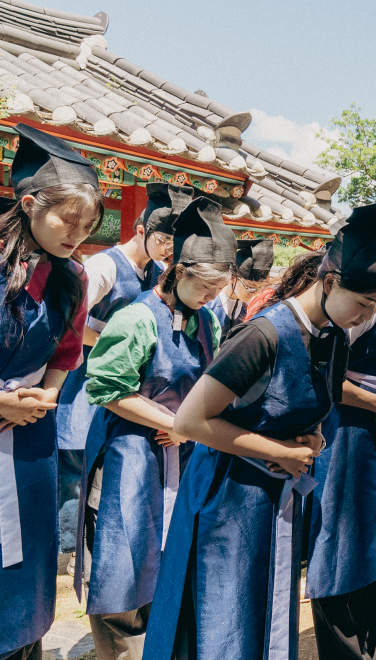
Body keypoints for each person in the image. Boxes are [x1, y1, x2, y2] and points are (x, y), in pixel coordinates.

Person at [143, 206, 376, 660]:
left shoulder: (333, 336)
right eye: (363, 303)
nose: (367, 316)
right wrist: (277, 450)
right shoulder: (262, 335)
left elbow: (311, 410)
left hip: (275, 498)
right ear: (328, 282)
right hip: (226, 498)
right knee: (223, 624)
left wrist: (312, 441)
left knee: (268, 613)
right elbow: (190, 421)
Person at [78, 197, 234, 660]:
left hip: (182, 452)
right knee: (123, 565)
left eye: (218, 289)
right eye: (206, 286)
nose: (212, 298)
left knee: (170, 560)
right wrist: (178, 422)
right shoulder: (135, 318)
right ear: (180, 270)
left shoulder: (206, 320)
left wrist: (191, 427)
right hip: (131, 454)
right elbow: (107, 389)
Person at [0, 123, 104, 660]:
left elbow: (66, 352)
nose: (77, 235)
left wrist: (49, 395)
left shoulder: (73, 278)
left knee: (28, 570)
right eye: (69, 219)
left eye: (88, 226)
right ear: (29, 201)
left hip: (30, 439)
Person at [303, 196, 376, 660]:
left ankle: (375, 644)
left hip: (373, 435)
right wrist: (374, 400)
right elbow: (321, 370)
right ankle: (343, 649)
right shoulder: (333, 308)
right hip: (338, 433)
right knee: (336, 542)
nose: (371, 309)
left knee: (369, 539)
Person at [54, 183, 180, 559]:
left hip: (130, 383)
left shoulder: (156, 272)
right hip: (89, 378)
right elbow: (68, 322)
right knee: (75, 470)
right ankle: (67, 550)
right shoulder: (104, 265)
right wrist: (116, 336)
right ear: (140, 230)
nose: (168, 249)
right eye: (162, 240)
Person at [205, 238, 273, 341]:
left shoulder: (246, 308)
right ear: (232, 277)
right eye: (250, 287)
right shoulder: (209, 303)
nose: (254, 293)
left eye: (259, 288)